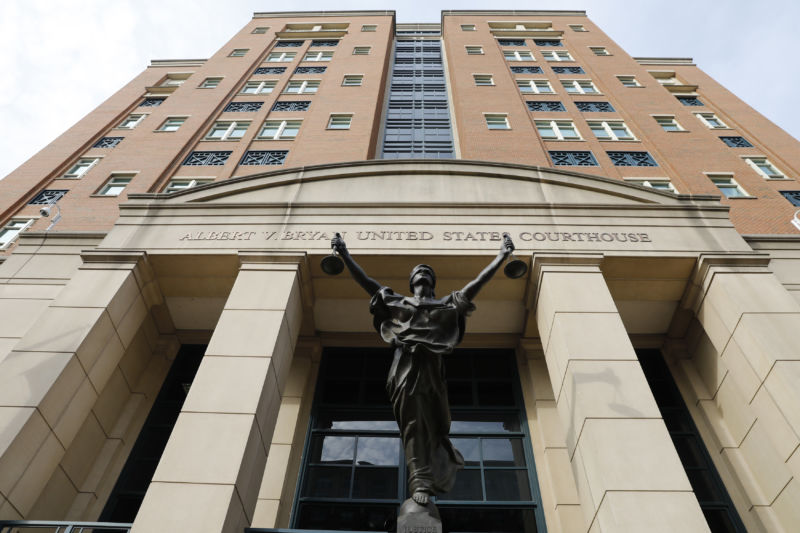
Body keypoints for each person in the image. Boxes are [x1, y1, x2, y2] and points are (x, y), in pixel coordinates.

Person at [331, 233, 515, 506]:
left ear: (432, 282)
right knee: (414, 424)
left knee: (435, 426)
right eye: (419, 271)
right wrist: (345, 256)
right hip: (405, 368)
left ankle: (437, 465)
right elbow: (369, 284)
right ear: (412, 282)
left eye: (427, 271)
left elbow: (475, 286)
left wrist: (501, 258)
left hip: (432, 370)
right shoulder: (399, 304)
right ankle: (419, 480)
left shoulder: (446, 305)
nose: (423, 272)